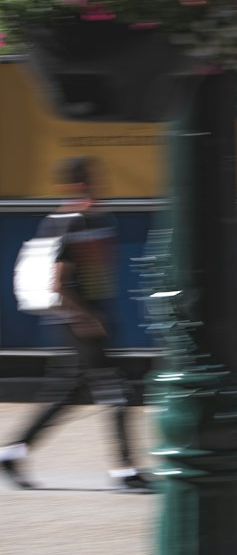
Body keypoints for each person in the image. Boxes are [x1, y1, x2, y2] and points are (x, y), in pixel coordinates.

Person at [0, 156, 149, 491]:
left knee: (70, 391)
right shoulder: (68, 223)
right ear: (76, 185)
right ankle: (125, 469)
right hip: (79, 320)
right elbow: (58, 284)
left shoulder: (97, 220)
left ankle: (12, 451)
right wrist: (87, 317)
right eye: (91, 181)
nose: (98, 186)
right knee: (119, 393)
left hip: (94, 318)